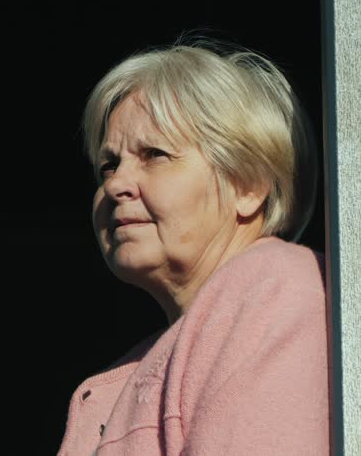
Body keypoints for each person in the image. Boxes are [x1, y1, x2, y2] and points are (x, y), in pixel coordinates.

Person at [57, 38, 329, 455]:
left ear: (248, 186)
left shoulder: (278, 291)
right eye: (109, 164)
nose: (114, 184)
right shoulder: (139, 364)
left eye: (154, 154)